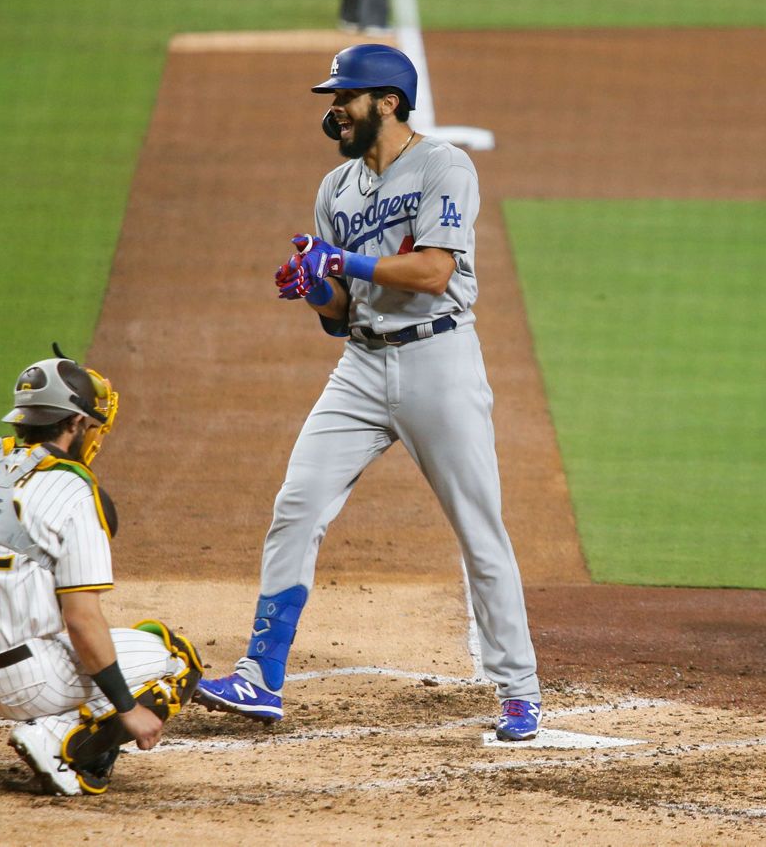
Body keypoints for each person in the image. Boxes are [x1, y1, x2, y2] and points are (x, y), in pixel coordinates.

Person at [195, 44, 543, 741]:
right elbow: (341, 314)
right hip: (360, 365)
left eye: (344, 97)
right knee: (297, 504)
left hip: (438, 358)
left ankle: (520, 690)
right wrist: (314, 289)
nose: (333, 110)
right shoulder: (336, 189)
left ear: (387, 100)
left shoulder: (444, 166)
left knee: (478, 527)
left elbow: (435, 272)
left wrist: (342, 259)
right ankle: (261, 675)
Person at [0, 346, 203, 794]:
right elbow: (81, 619)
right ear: (74, 423)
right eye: (91, 425)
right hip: (24, 686)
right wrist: (125, 706)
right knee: (176, 658)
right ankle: (55, 739)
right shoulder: (74, 492)